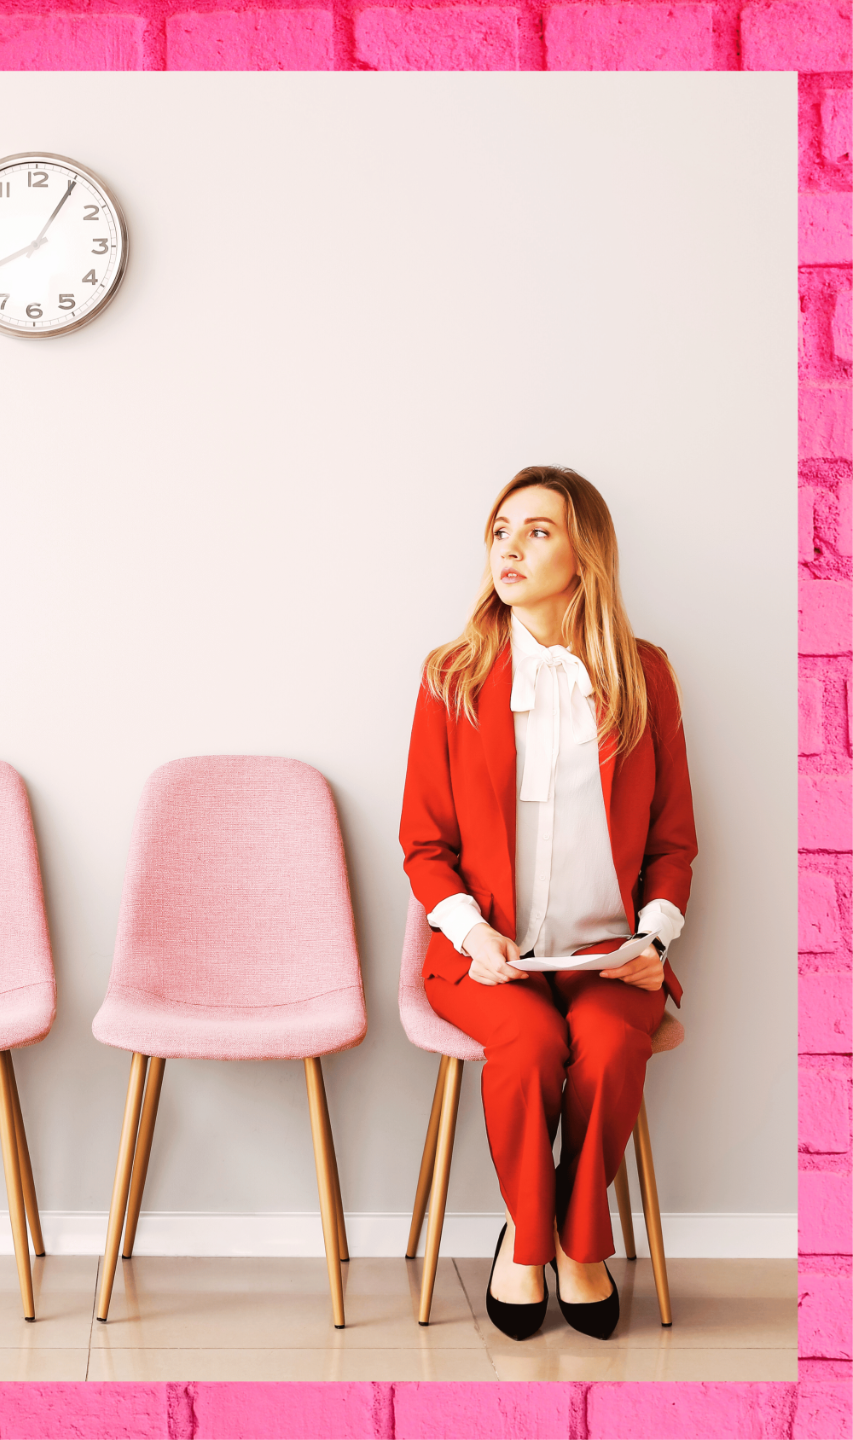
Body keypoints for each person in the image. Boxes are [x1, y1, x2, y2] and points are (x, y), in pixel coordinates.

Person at [399, 465, 695, 1342]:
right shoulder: (452, 676)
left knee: (605, 1046)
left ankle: (575, 1243)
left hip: (611, 956)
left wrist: (654, 936)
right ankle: (535, 1246)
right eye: (500, 530)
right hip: (488, 957)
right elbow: (424, 844)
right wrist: (470, 931)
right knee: (526, 1049)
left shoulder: (645, 676)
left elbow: (674, 840)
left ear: (584, 555)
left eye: (537, 531)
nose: (510, 547)